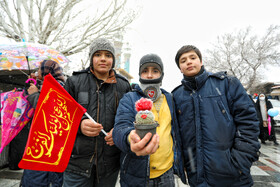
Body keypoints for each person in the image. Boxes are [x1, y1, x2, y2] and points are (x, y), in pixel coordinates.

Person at [172, 45, 260, 187]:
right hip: (197, 177)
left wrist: (239, 161)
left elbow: (248, 122)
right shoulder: (176, 95)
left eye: (193, 58)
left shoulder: (227, 83)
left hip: (233, 175)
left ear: (201, 62)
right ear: (180, 68)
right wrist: (187, 166)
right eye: (183, 60)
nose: (188, 62)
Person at [63, 38, 131, 187]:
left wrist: (120, 132)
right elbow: (61, 117)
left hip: (109, 165)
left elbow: (130, 118)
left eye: (108, 55)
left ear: (113, 59)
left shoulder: (123, 86)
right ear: (91, 57)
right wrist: (79, 125)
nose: (103, 59)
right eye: (98, 54)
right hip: (77, 163)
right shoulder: (74, 81)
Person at [113, 54, 186, 187]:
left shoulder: (170, 98)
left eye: (155, 71)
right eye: (145, 71)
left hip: (167, 174)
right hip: (136, 175)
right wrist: (130, 138)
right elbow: (119, 128)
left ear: (161, 75)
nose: (150, 75)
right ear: (140, 74)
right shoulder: (129, 98)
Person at [20, 60, 65, 187]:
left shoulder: (58, 87)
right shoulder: (48, 84)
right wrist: (30, 85)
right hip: (40, 142)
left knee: (38, 179)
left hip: (46, 145)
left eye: (39, 69)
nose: (37, 71)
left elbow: (47, 109)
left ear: (46, 70)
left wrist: (34, 94)